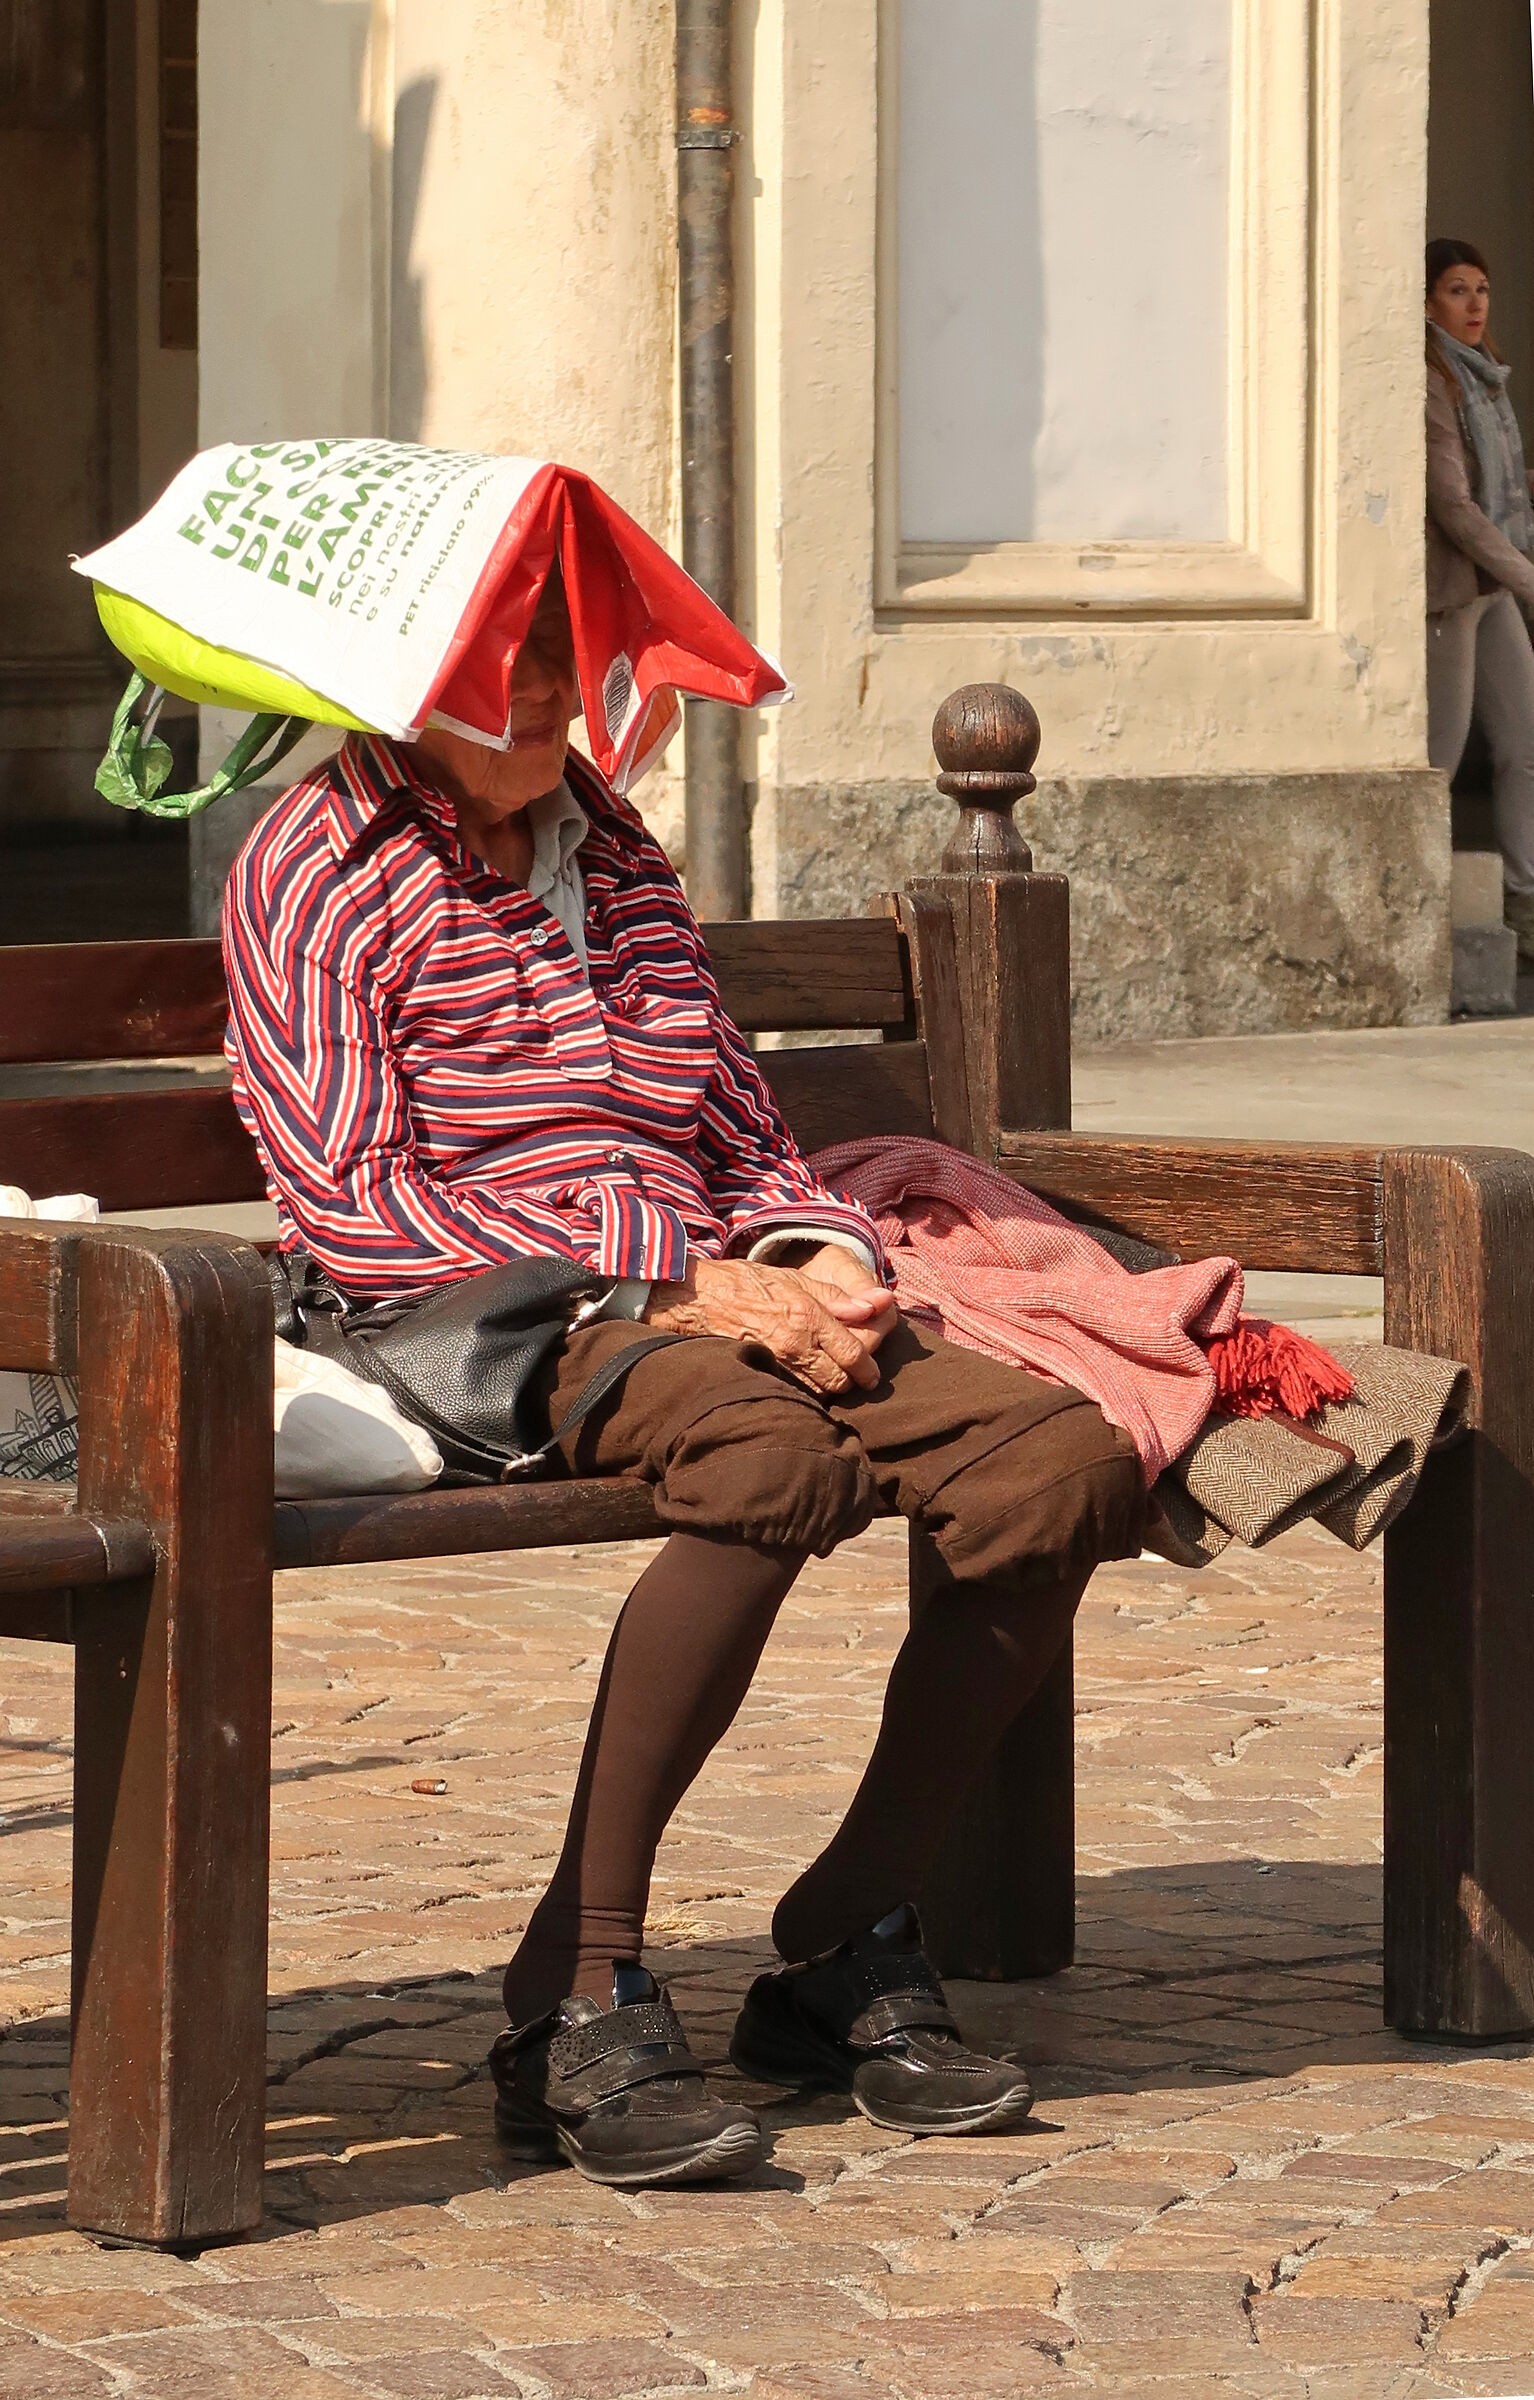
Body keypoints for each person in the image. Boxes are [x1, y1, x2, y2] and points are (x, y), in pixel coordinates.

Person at [223, 563, 1147, 2190]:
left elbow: (735, 1123)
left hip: (705, 1279)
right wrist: (677, 1294)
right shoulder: (318, 862)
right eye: (495, 663)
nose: (534, 694)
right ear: (402, 672)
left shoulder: (617, 850)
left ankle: (840, 1933)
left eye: (556, 660)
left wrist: (811, 1259)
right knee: (771, 1462)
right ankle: (578, 1984)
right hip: (482, 1306)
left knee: (1050, 1461)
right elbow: (352, 1200)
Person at [1425, 236, 1534, 962]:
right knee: (1442, 752)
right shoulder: (1433, 381)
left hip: (1494, 586)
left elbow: (1506, 495)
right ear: (1429, 300)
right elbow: (1452, 505)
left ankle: (1525, 898)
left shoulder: (1488, 381)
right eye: (1459, 289)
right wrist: (1525, 574)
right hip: (1456, 594)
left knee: (1526, 743)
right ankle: (1421, 902)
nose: (1474, 304)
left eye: (1483, 290)